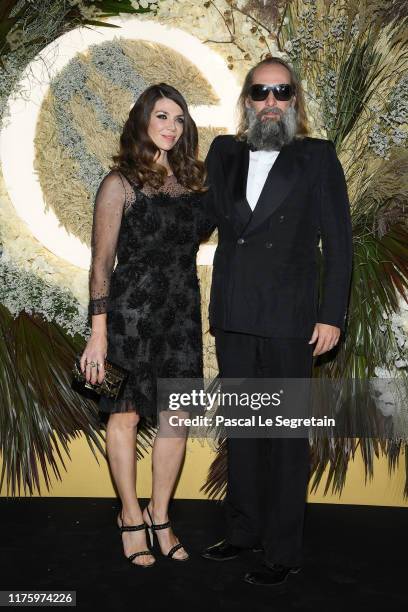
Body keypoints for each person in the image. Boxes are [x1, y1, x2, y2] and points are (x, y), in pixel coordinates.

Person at [201, 57, 353, 585]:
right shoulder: (223, 152)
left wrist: (331, 315)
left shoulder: (316, 157)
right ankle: (243, 532)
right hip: (235, 313)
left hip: (291, 319)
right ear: (247, 99)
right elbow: (200, 217)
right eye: (260, 92)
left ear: (294, 101)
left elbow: (338, 244)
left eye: (281, 93)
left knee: (286, 436)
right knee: (242, 430)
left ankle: (283, 550)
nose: (270, 103)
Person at [80, 83, 214, 568]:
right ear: (143, 120)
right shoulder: (120, 183)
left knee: (176, 418)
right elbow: (100, 265)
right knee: (126, 415)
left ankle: (161, 516)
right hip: (127, 318)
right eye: (162, 116)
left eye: (179, 119)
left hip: (180, 318)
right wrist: (98, 335)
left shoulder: (194, 186)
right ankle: (130, 516)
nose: (171, 127)